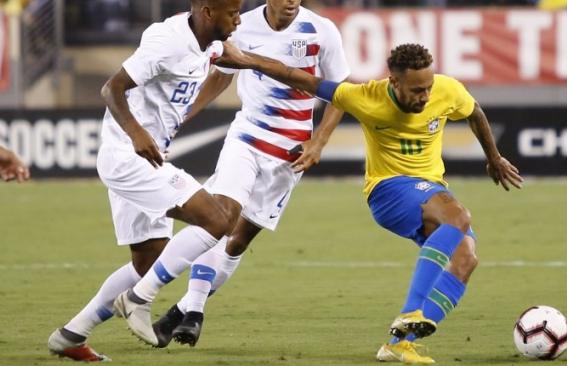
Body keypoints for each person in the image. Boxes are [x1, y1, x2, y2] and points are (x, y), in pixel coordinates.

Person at [216, 43, 523, 363]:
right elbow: (298, 77)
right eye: (417, 90)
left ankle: (399, 344)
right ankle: (411, 311)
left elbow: (475, 113)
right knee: (459, 216)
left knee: (465, 259)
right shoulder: (364, 97)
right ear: (394, 82)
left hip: (428, 189)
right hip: (388, 191)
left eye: (428, 88)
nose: (425, 96)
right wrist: (244, 60)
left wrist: (495, 158)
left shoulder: (447, 90)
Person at [47, 0, 243, 361]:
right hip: (129, 156)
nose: (239, 18)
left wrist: (188, 110)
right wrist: (138, 134)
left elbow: (227, 64)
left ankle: (71, 335)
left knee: (148, 263)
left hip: (146, 159)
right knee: (218, 219)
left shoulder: (212, 42)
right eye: (232, 12)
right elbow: (112, 88)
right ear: (207, 12)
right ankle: (138, 300)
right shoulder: (166, 40)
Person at [151, 0, 350, 348]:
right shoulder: (241, 25)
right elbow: (219, 78)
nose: (291, 1)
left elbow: (341, 93)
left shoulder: (322, 30)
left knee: (238, 240)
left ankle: (176, 314)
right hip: (246, 138)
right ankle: (193, 312)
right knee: (220, 219)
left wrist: (318, 141)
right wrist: (181, 116)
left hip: (290, 154)